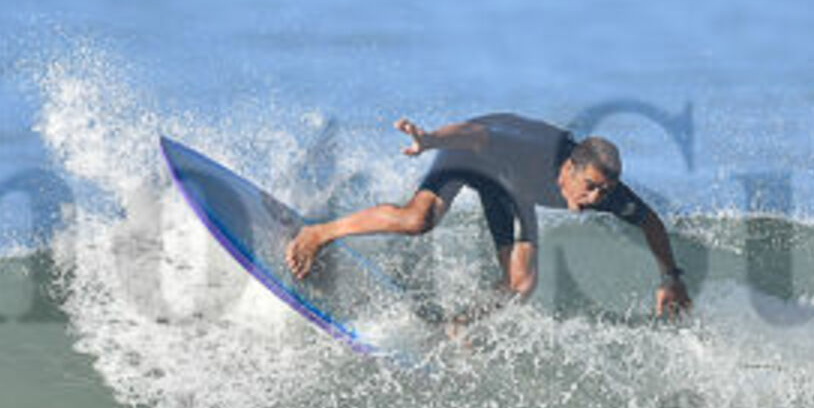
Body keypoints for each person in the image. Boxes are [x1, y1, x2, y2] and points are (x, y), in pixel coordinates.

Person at [284, 113, 691, 318]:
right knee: (418, 219)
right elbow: (478, 134)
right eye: (590, 186)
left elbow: (650, 222)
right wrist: (430, 140)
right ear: (569, 168)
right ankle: (318, 233)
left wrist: (671, 278)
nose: (595, 198)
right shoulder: (536, 150)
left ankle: (458, 326)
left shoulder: (606, 192)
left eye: (604, 191)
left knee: (521, 284)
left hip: (511, 187)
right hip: (472, 153)